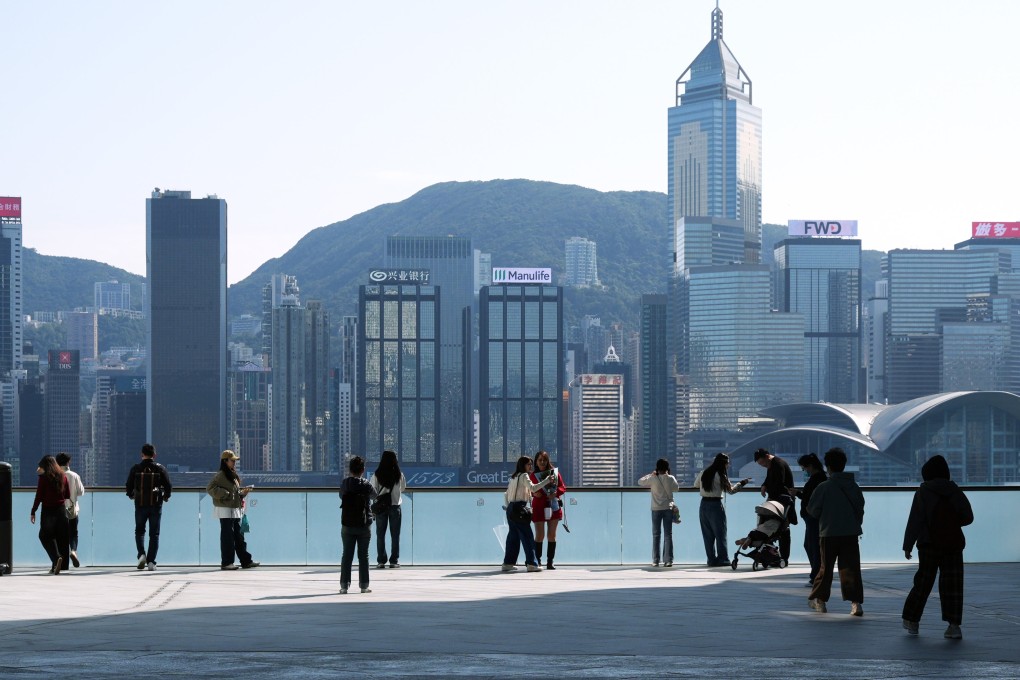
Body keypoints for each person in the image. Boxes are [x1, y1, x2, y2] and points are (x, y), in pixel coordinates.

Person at [901, 455, 974, 640]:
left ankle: (912, 622)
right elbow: (968, 516)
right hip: (953, 544)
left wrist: (907, 545)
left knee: (923, 583)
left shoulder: (923, 491)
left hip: (928, 544)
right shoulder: (954, 490)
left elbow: (915, 520)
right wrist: (950, 524)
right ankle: (954, 626)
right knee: (953, 585)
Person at [805, 447, 865, 617]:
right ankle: (856, 604)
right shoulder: (853, 486)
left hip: (828, 533)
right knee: (851, 568)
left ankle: (820, 601)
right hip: (850, 533)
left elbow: (813, 511)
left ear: (828, 467)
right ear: (844, 465)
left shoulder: (824, 487)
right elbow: (860, 509)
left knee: (826, 569)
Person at [692, 452, 750, 567]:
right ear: (723, 464)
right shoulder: (721, 475)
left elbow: (696, 485)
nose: (728, 466)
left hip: (703, 505)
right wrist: (742, 483)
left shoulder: (704, 472)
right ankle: (723, 559)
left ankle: (711, 560)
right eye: (727, 464)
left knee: (707, 535)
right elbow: (731, 491)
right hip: (715, 505)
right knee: (720, 533)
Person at [206, 450, 259, 571]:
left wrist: (242, 493)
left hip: (234, 509)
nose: (234, 462)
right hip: (225, 510)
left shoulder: (231, 474)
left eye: (235, 460)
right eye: (232, 460)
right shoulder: (221, 475)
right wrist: (226, 494)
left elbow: (234, 493)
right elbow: (210, 488)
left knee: (238, 536)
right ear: (225, 461)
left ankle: (245, 560)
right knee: (228, 537)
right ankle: (227, 562)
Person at [502, 455, 556, 573]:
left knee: (513, 537)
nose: (531, 466)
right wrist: (547, 480)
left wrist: (508, 507)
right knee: (527, 537)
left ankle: (508, 563)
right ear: (523, 465)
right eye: (528, 464)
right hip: (520, 507)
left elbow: (505, 494)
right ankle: (532, 564)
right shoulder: (524, 475)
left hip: (511, 508)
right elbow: (533, 488)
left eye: (531, 464)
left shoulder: (514, 476)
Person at [126, 443, 173, 571]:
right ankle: (151, 562)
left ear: (142, 455)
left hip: (140, 505)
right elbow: (168, 486)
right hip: (156, 505)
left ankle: (141, 554)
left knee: (140, 531)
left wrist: (131, 495)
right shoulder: (160, 468)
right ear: (154, 455)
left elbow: (128, 486)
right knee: (154, 534)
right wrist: (166, 496)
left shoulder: (135, 468)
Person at [340, 455, 377, 593]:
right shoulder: (366, 484)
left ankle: (344, 586)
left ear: (350, 470)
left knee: (347, 555)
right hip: (364, 524)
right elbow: (375, 496)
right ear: (363, 470)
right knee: (363, 555)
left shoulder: (345, 484)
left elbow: (340, 496)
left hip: (347, 524)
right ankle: (364, 585)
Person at [754, 448, 796, 564]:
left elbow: (779, 484)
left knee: (783, 529)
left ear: (767, 456)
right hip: (777, 502)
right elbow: (769, 479)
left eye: (763, 463)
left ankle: (782, 558)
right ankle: (774, 555)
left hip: (783, 502)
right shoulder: (772, 464)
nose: (763, 466)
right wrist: (764, 485)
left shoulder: (777, 464)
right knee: (775, 528)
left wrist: (770, 497)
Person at [30, 455, 71, 574]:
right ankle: (57, 565)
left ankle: (56, 558)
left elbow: (39, 496)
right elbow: (67, 494)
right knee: (59, 537)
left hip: (48, 511)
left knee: (44, 536)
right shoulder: (63, 476)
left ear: (45, 466)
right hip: (61, 510)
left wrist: (33, 511)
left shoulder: (43, 478)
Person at [638, 458, 681, 567]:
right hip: (668, 508)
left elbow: (640, 482)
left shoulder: (653, 479)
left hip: (656, 509)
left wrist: (650, 475)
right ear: (667, 468)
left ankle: (656, 560)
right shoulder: (671, 478)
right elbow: (676, 488)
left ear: (657, 468)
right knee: (668, 535)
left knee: (656, 535)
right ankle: (668, 560)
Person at [370, 450, 406, 569]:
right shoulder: (398, 474)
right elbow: (403, 488)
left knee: (380, 534)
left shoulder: (377, 474)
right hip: (395, 506)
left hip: (381, 507)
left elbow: (373, 491)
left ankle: (381, 561)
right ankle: (394, 561)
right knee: (395, 535)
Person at [529, 450, 566, 570]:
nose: (542, 462)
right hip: (539, 506)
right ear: (536, 462)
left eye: (544, 460)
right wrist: (535, 494)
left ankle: (550, 562)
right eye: (540, 460)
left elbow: (562, 487)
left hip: (553, 506)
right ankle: (537, 561)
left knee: (552, 535)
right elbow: (529, 490)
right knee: (539, 535)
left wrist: (556, 492)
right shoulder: (532, 476)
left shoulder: (554, 473)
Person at [795, 453, 827, 588]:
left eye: (804, 467)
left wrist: (797, 494)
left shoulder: (817, 479)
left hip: (813, 517)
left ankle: (816, 575)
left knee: (813, 545)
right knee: (811, 545)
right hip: (811, 517)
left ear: (810, 466)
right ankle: (816, 574)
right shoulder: (818, 478)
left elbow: (810, 498)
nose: (804, 470)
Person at [55, 452, 85, 568]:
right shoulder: (74, 475)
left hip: (58, 510)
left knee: (60, 536)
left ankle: (60, 561)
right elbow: (81, 492)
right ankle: (73, 550)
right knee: (73, 533)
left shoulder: (55, 475)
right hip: (72, 509)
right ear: (68, 462)